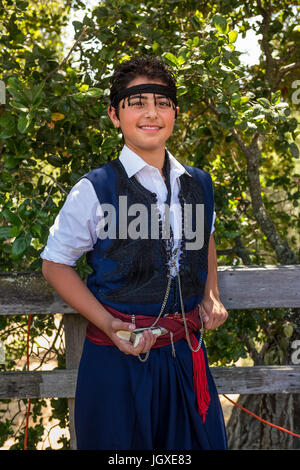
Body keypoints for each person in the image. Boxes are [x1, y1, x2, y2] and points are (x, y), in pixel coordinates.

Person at [41, 56, 228, 450]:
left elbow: (205, 238)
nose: (151, 113)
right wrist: (109, 324)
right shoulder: (95, 189)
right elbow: (55, 263)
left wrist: (211, 294)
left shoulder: (199, 184)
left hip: (186, 354)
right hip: (119, 361)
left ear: (175, 113)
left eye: (161, 103)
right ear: (115, 115)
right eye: (136, 102)